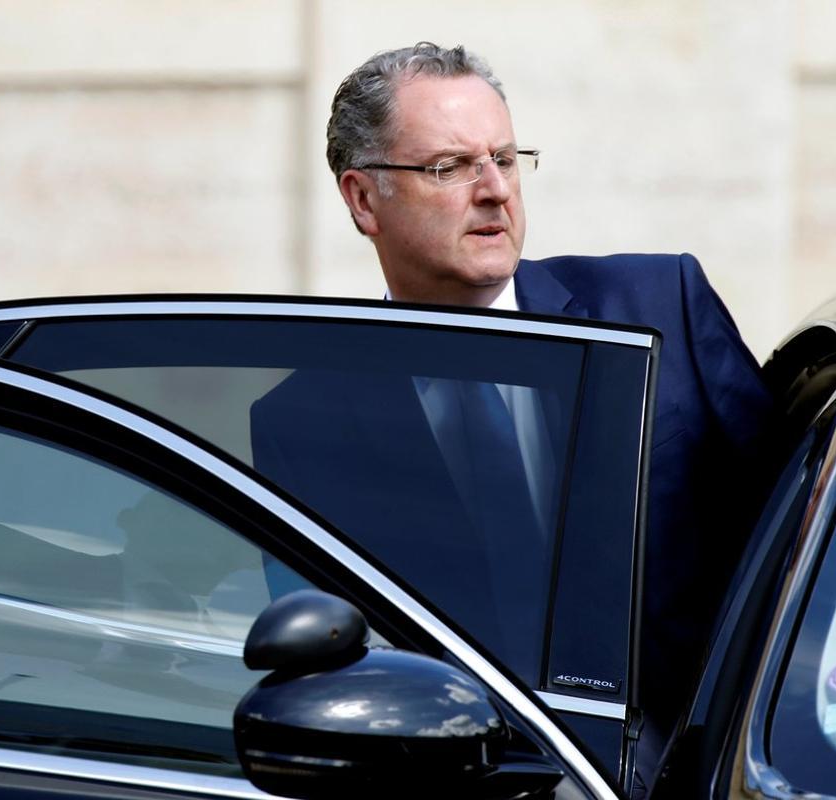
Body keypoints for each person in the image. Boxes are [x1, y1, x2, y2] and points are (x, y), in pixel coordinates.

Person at [324, 41, 773, 782]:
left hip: (719, 767)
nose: (494, 189)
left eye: (504, 157)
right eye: (449, 167)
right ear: (364, 199)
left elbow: (805, 532)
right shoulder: (309, 415)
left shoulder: (661, 306)